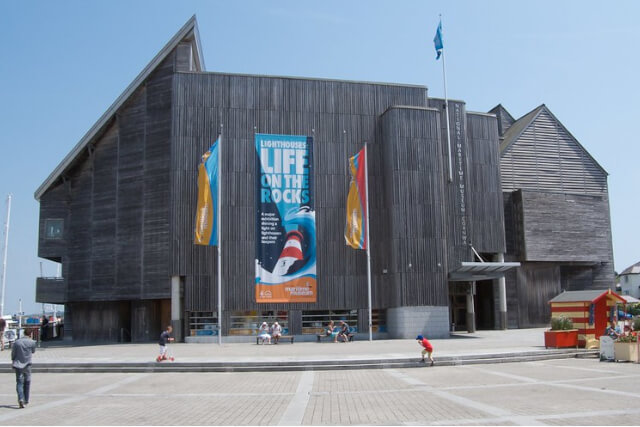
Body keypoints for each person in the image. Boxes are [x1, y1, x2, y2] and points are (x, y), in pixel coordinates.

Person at [11, 330, 36, 408]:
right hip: (27, 364)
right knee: (27, 382)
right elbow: (33, 351)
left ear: (24, 333)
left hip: (18, 364)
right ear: (30, 334)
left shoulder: (17, 342)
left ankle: (21, 398)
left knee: (19, 382)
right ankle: (26, 400)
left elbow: (13, 353)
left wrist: (13, 360)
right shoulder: (32, 342)